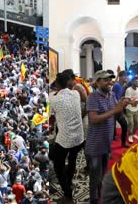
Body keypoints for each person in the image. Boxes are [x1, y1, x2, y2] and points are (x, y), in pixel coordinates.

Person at [85, 70, 129, 204]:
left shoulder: (112, 95)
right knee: (95, 177)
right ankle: (94, 200)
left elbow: (115, 112)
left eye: (110, 80)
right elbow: (93, 119)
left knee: (102, 174)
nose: (110, 82)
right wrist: (115, 110)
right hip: (95, 144)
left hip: (106, 143)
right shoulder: (92, 97)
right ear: (98, 82)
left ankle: (100, 196)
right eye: (105, 80)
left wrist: (122, 105)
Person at [50, 72, 84, 203]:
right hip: (79, 138)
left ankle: (68, 195)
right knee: (72, 160)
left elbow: (50, 114)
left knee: (58, 166)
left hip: (65, 140)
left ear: (57, 86)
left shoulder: (53, 99)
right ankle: (69, 181)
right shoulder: (75, 94)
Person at [112, 70, 129, 148]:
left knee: (125, 125)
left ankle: (123, 143)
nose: (126, 77)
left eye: (126, 76)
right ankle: (109, 151)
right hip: (113, 109)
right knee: (111, 129)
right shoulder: (117, 86)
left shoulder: (122, 86)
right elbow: (113, 97)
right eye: (125, 76)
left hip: (118, 109)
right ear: (121, 77)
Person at [125, 77, 138, 143]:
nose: (137, 82)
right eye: (135, 81)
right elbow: (128, 100)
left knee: (137, 123)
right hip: (129, 109)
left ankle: (133, 134)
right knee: (130, 123)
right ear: (132, 82)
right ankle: (130, 135)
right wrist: (135, 102)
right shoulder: (128, 90)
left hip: (136, 109)